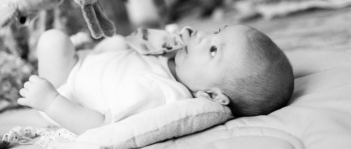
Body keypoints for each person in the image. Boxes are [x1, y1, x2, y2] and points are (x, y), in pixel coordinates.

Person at [17, 24, 294, 135]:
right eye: (217, 31)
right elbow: (141, 41)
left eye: (212, 49)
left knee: (52, 40)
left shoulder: (159, 94)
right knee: (115, 41)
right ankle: (86, 48)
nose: (202, 36)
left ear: (212, 96)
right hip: (93, 63)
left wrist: (50, 100)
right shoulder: (176, 64)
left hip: (68, 88)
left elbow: (100, 126)